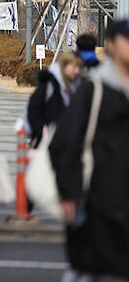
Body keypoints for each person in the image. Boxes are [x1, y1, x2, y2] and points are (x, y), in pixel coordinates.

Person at [50, 20, 129, 281]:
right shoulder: (94, 89)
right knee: (91, 268)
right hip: (97, 196)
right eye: (125, 40)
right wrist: (69, 194)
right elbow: (66, 142)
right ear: (110, 45)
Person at [27, 53, 82, 148]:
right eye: (74, 67)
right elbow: (33, 111)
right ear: (64, 67)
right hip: (46, 144)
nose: (77, 71)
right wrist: (41, 133)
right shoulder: (49, 86)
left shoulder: (73, 86)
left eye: (78, 67)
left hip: (64, 144)